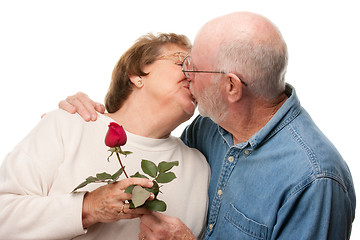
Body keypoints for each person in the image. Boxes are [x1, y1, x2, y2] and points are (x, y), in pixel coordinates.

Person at [60, 12, 356, 240]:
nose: (186, 75)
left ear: (231, 87)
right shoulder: (208, 129)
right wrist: (91, 118)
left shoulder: (316, 180)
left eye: (193, 66)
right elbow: (150, 145)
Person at [0, 33, 210, 239]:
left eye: (199, 72)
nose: (193, 76)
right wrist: (88, 207)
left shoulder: (199, 168)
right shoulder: (66, 125)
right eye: (182, 62)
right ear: (137, 74)